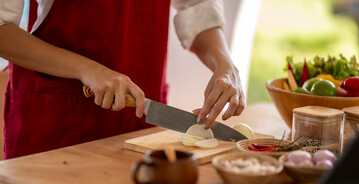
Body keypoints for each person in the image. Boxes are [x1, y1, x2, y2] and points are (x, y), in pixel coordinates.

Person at [0, 0, 245, 159]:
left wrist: (224, 63)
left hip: (139, 127)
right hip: (55, 129)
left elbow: (196, 6)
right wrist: (86, 69)